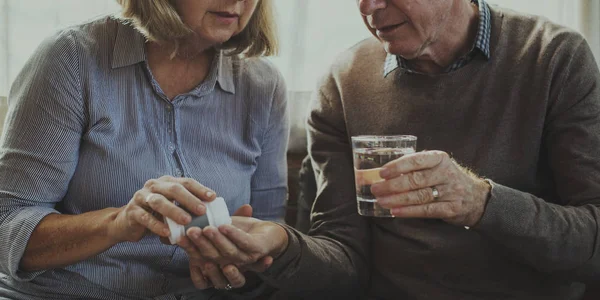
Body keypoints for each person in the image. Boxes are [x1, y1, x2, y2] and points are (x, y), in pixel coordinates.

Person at [180, 0, 600, 299]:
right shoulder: (345, 82)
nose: (369, 7)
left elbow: (593, 245)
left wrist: (479, 202)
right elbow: (343, 257)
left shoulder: (554, 57)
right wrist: (282, 245)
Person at [0, 0, 289, 299]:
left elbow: (270, 231)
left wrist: (238, 257)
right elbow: (6, 224)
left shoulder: (263, 86)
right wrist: (118, 223)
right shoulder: (72, 58)